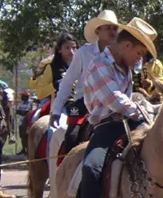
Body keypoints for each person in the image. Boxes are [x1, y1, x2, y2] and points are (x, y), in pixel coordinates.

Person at [79, 17, 157, 198]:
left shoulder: (126, 65)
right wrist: (147, 110)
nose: (140, 59)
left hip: (133, 121)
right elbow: (115, 99)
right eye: (140, 52)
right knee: (90, 169)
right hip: (107, 126)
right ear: (126, 46)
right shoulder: (98, 66)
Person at [50, 10, 119, 156]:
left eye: (114, 28)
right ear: (98, 30)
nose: (112, 31)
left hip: (112, 104)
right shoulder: (83, 53)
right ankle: (67, 173)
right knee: (72, 137)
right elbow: (67, 82)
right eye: (108, 27)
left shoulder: (120, 54)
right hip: (84, 103)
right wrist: (56, 110)